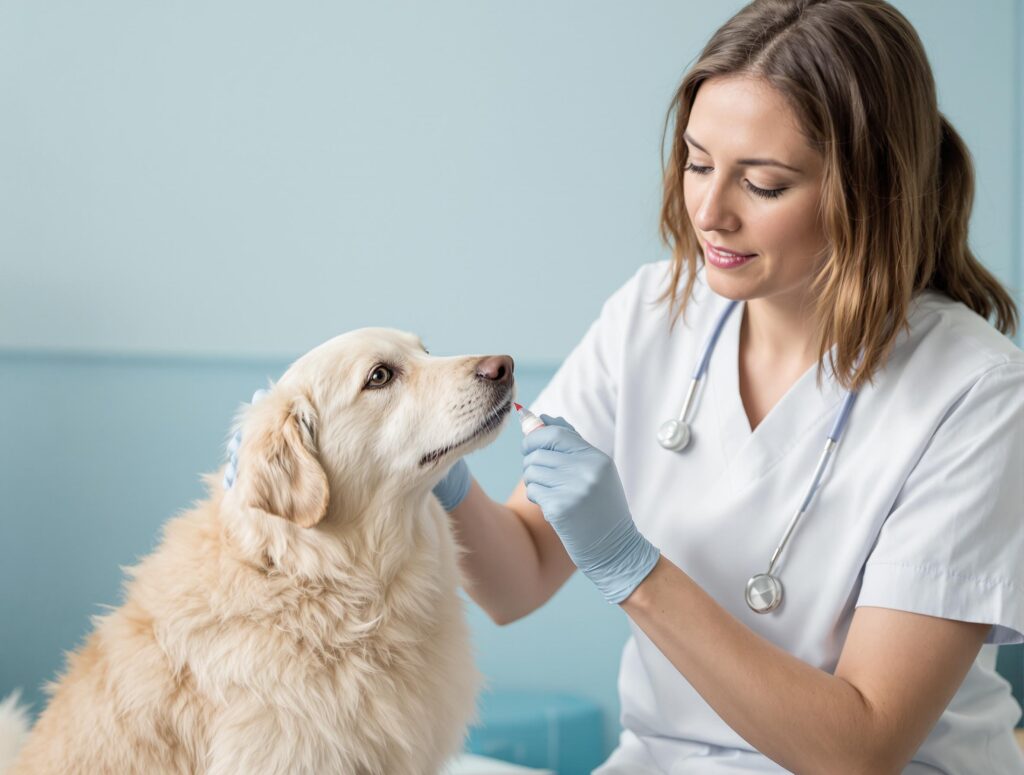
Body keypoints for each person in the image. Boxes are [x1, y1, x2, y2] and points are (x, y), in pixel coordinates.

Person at [432, 1, 1024, 772]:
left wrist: (631, 567)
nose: (709, 212)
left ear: (870, 190)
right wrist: (431, 466)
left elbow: (863, 746)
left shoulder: (975, 392)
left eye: (765, 184)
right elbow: (519, 580)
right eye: (698, 162)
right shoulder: (653, 310)